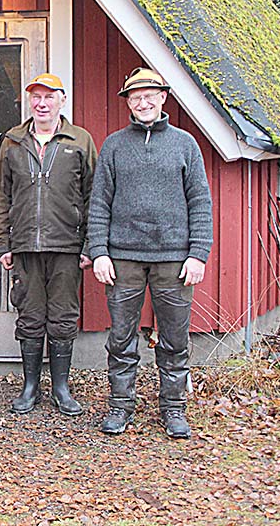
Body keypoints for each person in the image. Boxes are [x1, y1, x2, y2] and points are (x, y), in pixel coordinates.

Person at [88, 67, 213, 439]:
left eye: (149, 95)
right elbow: (99, 203)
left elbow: (200, 203)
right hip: (123, 258)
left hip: (174, 259)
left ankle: (173, 409)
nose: (142, 102)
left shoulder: (185, 144)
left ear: (163, 98)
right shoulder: (114, 145)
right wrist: (99, 251)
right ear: (127, 101)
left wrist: (198, 253)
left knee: (174, 339)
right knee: (121, 337)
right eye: (135, 97)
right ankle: (120, 406)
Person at [0, 73, 97, 417]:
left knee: (64, 317)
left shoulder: (80, 141)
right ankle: (30, 386)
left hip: (67, 246)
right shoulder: (12, 142)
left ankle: (62, 387)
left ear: (62, 101)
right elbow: (2, 196)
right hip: (24, 246)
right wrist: (3, 242)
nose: (41, 103)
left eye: (49, 97)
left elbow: (93, 196)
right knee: (30, 316)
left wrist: (89, 245)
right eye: (36, 97)